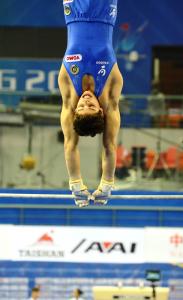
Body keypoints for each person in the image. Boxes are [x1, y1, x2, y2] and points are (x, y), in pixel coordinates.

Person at [59, 0, 123, 207]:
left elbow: (70, 145)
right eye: (92, 107)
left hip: (74, 12)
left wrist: (76, 183)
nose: (85, 101)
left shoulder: (69, 92)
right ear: (102, 112)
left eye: (81, 107)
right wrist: (107, 182)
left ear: (74, 111)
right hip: (104, 12)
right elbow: (110, 145)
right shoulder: (110, 95)